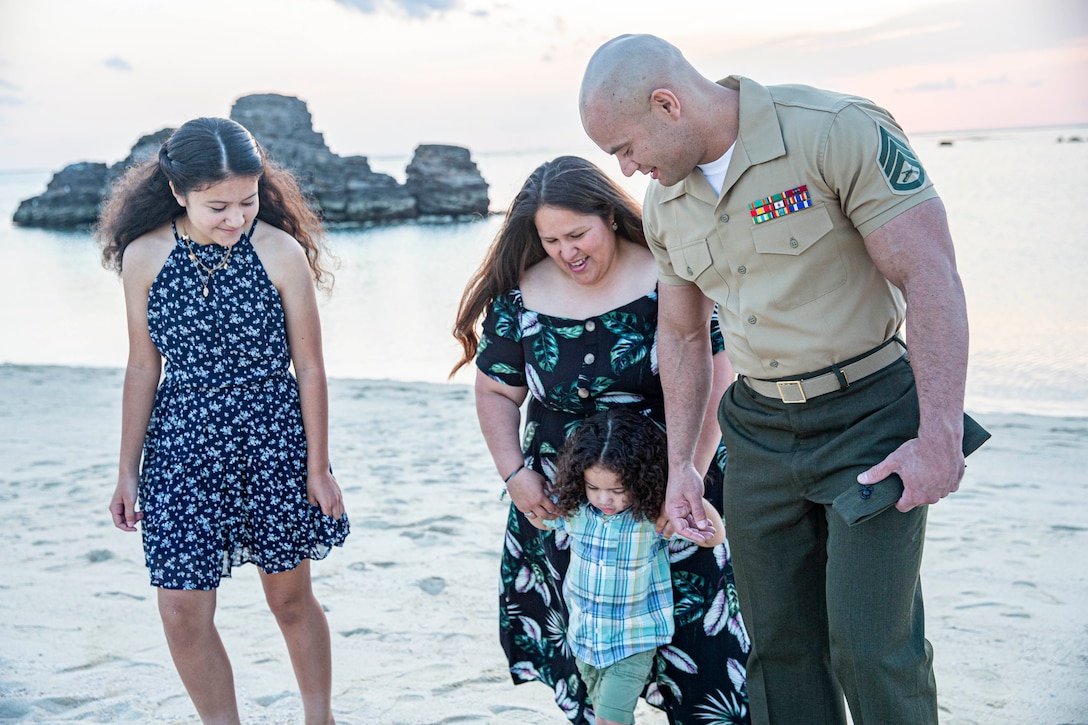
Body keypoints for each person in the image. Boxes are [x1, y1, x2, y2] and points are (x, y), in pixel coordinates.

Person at [579, 34, 990, 725]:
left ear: (666, 104)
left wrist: (940, 433)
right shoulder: (665, 206)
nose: (626, 166)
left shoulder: (834, 131)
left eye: (624, 146)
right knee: (778, 649)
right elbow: (680, 334)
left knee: (870, 645)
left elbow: (932, 275)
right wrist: (684, 463)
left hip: (870, 418)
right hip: (760, 432)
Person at [451, 155, 750, 724]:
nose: (568, 251)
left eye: (577, 233)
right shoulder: (520, 298)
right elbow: (495, 392)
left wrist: (689, 478)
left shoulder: (670, 274)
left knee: (709, 664)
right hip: (570, 507)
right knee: (594, 675)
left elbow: (719, 380)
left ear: (609, 215)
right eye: (552, 239)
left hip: (676, 493)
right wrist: (514, 474)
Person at [97, 117, 350, 725]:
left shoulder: (279, 252)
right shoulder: (145, 256)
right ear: (178, 192)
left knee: (289, 599)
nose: (237, 217)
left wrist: (319, 467)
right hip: (181, 447)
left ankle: (321, 718)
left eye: (248, 199)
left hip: (272, 439)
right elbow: (141, 369)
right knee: (182, 610)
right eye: (218, 206)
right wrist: (126, 471)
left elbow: (310, 368)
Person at [525, 407, 726, 725]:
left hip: (632, 642)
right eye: (593, 488)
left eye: (617, 491)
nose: (604, 499)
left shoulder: (649, 520)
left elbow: (714, 538)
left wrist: (691, 498)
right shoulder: (576, 512)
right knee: (598, 715)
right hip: (584, 638)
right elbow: (539, 515)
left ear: (640, 481)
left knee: (611, 720)